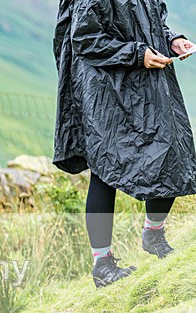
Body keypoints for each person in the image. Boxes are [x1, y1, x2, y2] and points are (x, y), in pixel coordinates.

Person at [54, 0, 196, 288]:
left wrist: (172, 40)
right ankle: (102, 264)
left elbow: (149, 21)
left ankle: (153, 235)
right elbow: (84, 38)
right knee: (106, 167)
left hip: (147, 81)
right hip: (105, 88)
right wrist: (137, 53)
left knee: (170, 150)